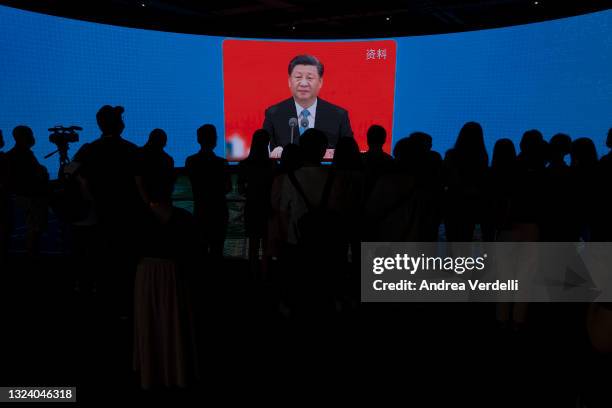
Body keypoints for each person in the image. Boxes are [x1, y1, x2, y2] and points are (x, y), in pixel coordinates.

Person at [263, 54, 354, 158]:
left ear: (320, 82)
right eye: (298, 77)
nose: (304, 83)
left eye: (310, 78)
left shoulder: (338, 115)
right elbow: (262, 152)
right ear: (289, 81)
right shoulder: (274, 114)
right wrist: (272, 153)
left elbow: (350, 152)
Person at [185, 124, 231, 260]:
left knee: (200, 251)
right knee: (217, 251)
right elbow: (228, 188)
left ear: (199, 140)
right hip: (219, 211)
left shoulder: (191, 161)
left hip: (200, 210)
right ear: (215, 140)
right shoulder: (222, 163)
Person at [5, 125, 49, 257]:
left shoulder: (11, 155)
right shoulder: (23, 155)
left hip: (24, 198)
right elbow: (37, 175)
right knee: (34, 231)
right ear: (24, 137)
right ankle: (32, 259)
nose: (33, 137)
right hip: (30, 199)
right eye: (30, 134)